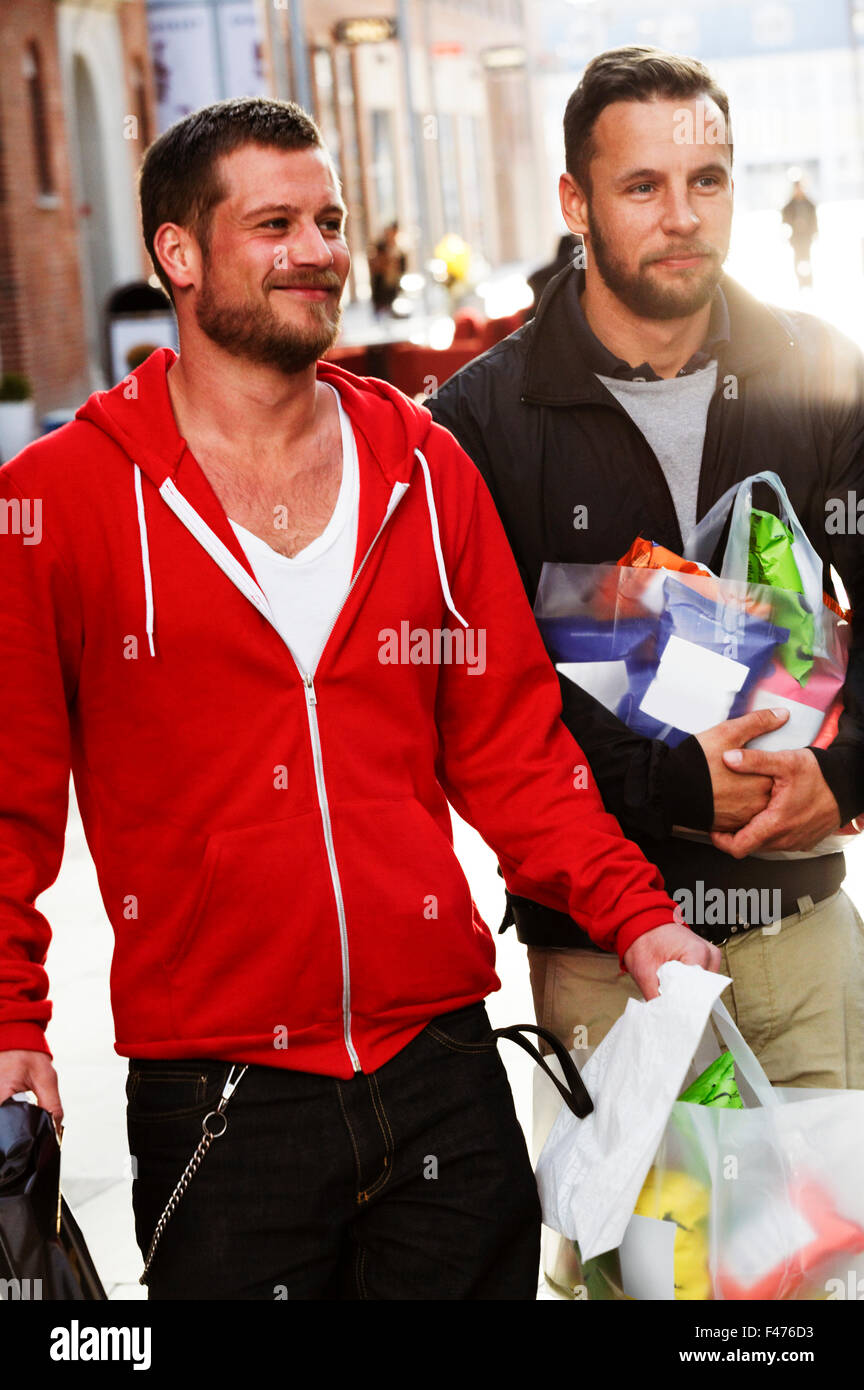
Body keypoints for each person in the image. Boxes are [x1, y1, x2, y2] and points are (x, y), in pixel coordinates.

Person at [0, 97, 715, 1302]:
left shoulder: (425, 472)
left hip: (441, 1065)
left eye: (329, 219)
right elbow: (10, 793)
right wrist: (13, 1015)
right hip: (218, 1097)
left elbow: (515, 754)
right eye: (274, 222)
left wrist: (636, 915)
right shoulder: (62, 499)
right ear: (178, 253)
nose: (319, 249)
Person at [431, 47, 864, 1117]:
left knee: (810, 1278)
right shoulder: (477, 424)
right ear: (576, 201)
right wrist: (661, 783)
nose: (682, 215)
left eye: (706, 181)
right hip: (604, 965)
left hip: (801, 937)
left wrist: (848, 773)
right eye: (644, 186)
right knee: (639, 1282)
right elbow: (477, 699)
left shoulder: (820, 374)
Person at [781, 179, 818, 290]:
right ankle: (801, 282)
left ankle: (808, 282)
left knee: (807, 259)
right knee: (798, 259)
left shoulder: (809, 204)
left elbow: (814, 220)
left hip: (807, 237)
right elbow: (784, 220)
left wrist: (814, 231)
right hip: (796, 237)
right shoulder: (789, 206)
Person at [368, 221, 406, 316]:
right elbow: (374, 265)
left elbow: (402, 268)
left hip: (393, 287)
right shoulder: (379, 247)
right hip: (381, 288)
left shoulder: (399, 249)